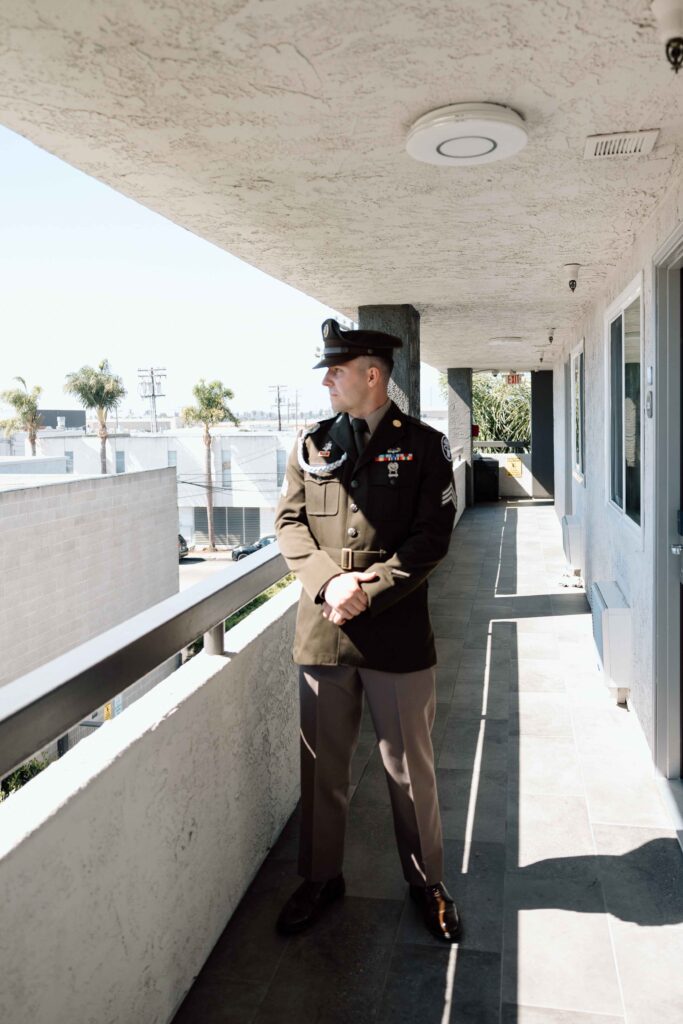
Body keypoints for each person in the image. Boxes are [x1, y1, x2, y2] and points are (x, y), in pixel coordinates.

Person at [274, 317, 460, 942]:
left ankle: (427, 881)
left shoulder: (426, 446)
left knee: (410, 769)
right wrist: (329, 582)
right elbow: (289, 524)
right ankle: (320, 878)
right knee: (322, 767)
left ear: (373, 376)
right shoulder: (313, 444)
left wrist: (368, 590)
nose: (327, 378)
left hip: (396, 632)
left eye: (337, 369)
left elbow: (432, 538)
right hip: (324, 629)